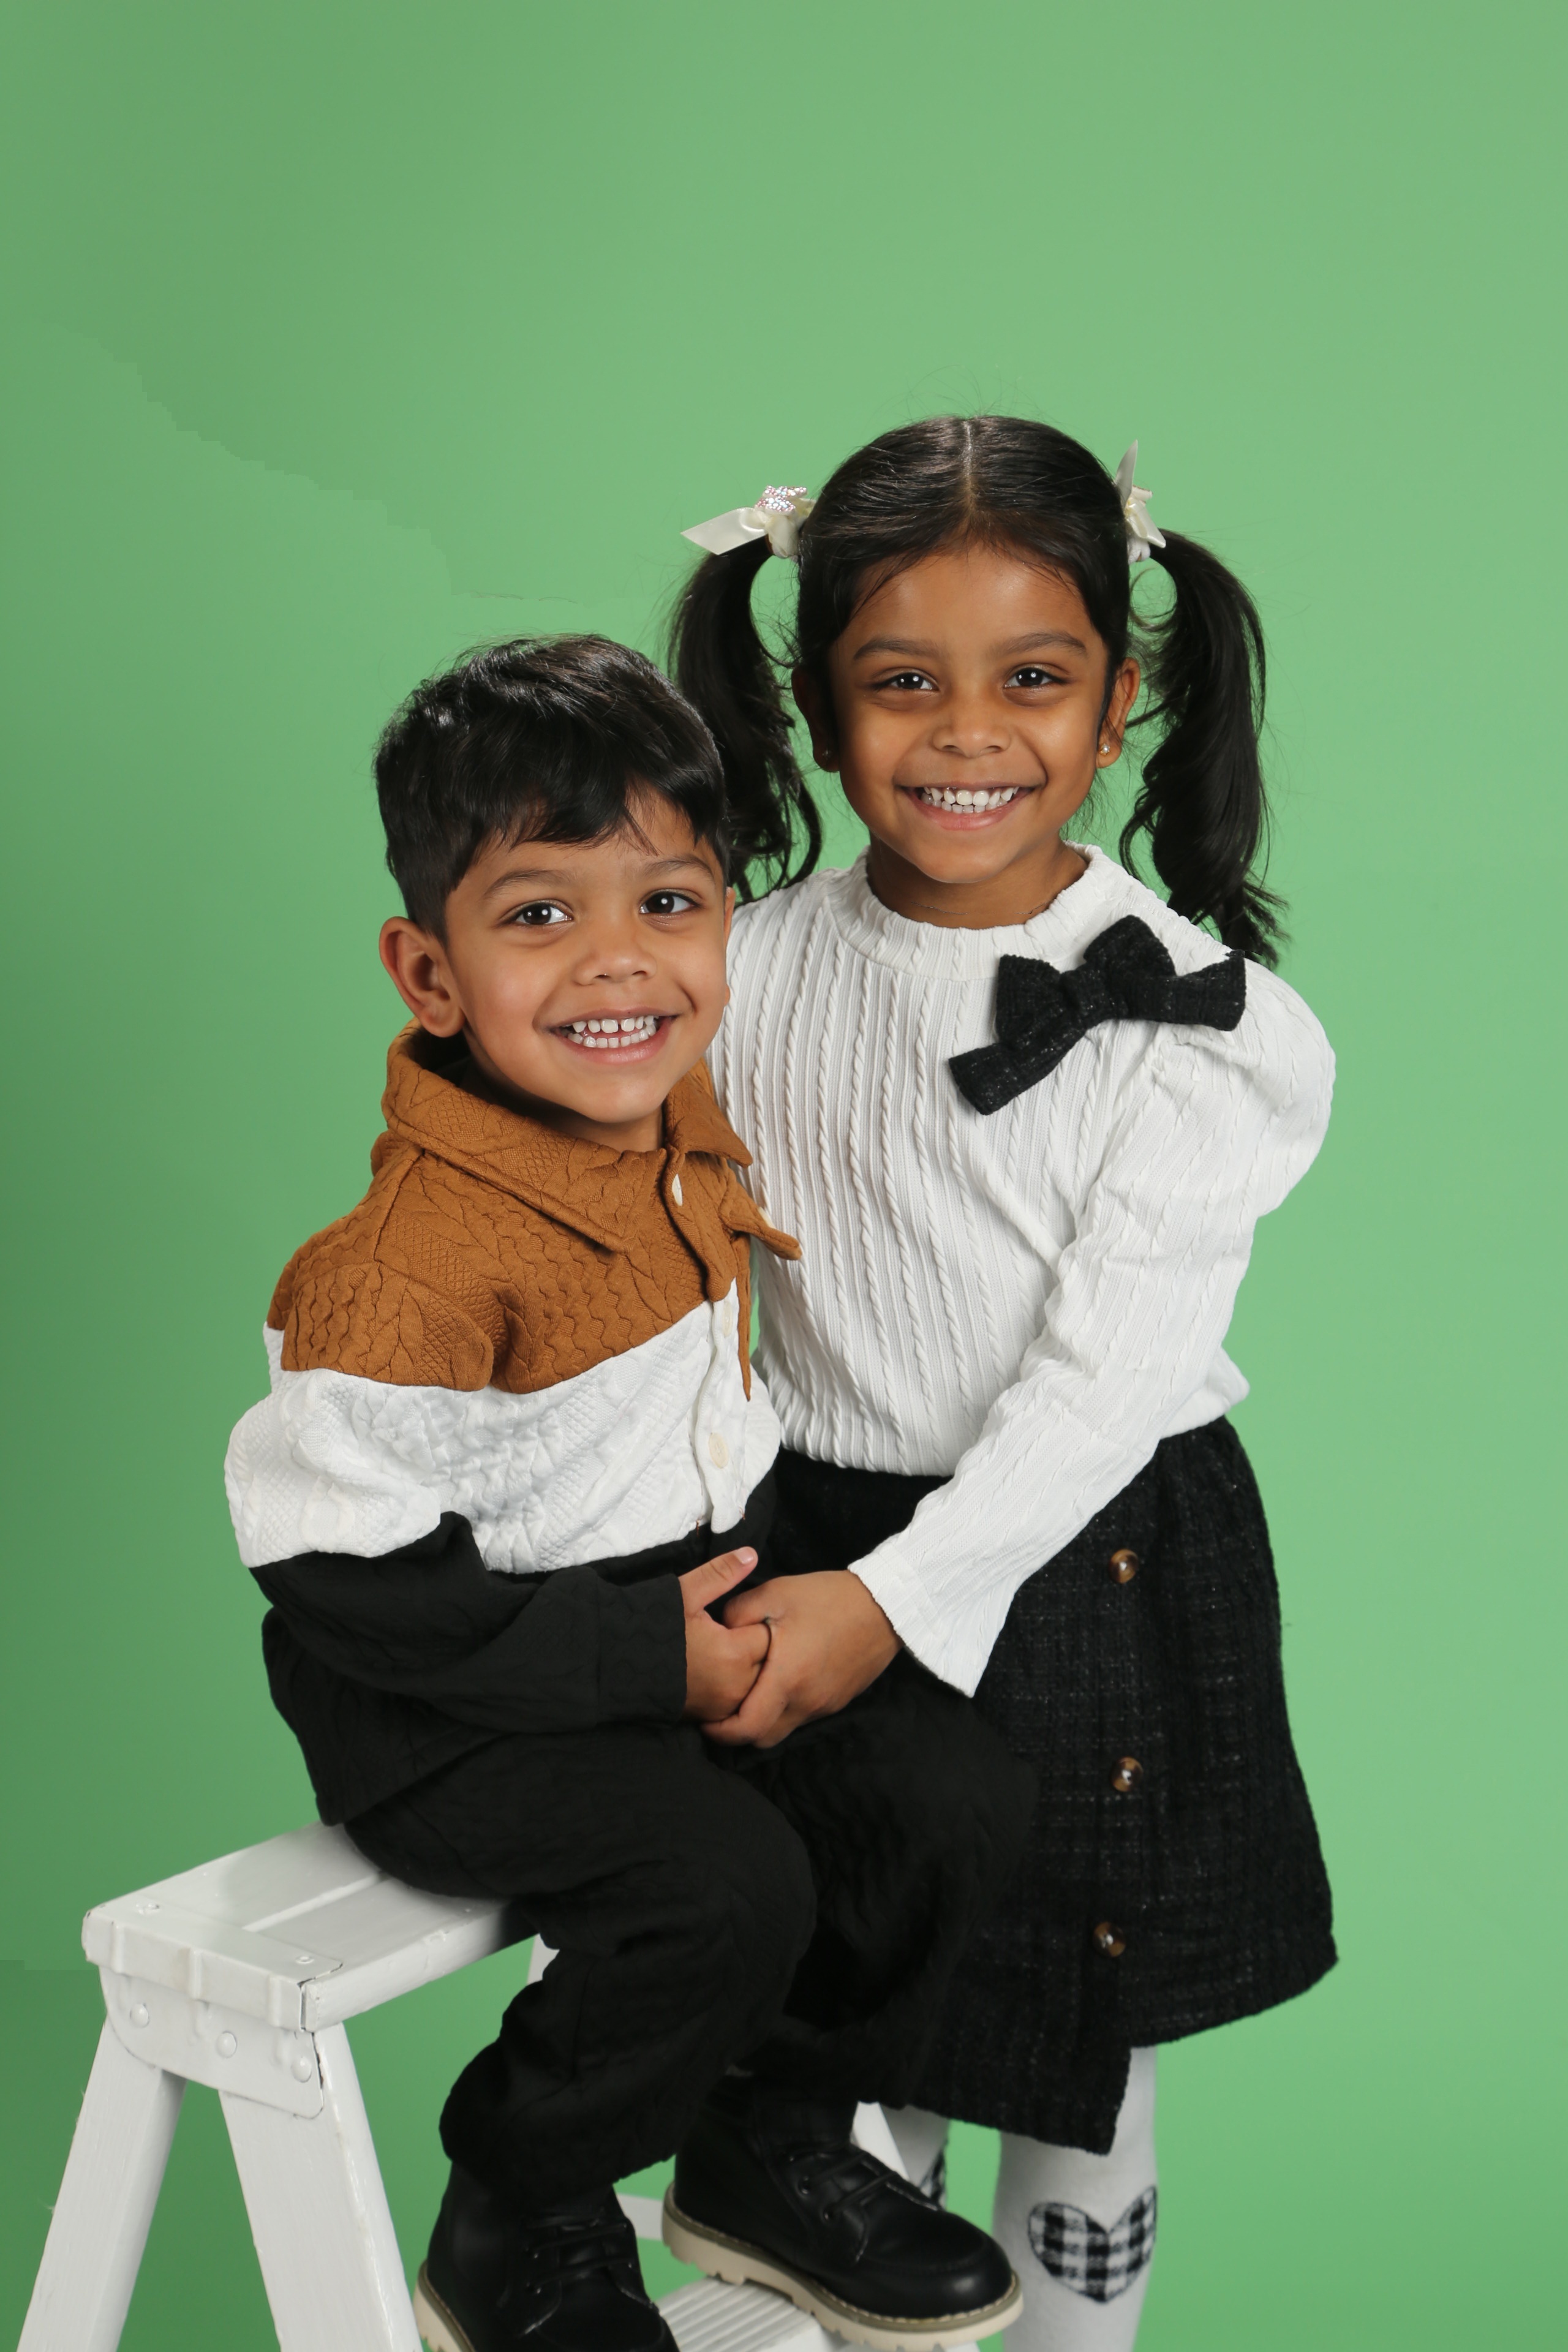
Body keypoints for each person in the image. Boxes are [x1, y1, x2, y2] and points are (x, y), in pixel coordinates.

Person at [223, 635, 1033, 2352]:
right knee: (720, 1886)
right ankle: (518, 2203)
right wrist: (637, 1661)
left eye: (670, 904)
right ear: (429, 973)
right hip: (446, 1696)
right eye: (539, 915)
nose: (619, 963)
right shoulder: (398, 1275)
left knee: (943, 1791)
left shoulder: (670, 1117)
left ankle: (766, 2136)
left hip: (668, 1608)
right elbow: (340, 1581)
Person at [671, 420, 1337, 2352]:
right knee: (837, 2025)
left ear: (1120, 703)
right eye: (903, 682)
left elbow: (1101, 1388)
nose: (969, 733)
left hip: (1088, 1554)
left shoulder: (1187, 1022)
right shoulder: (734, 973)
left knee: (1076, 2046)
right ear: (816, 708)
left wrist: (894, 1604)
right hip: (808, 1535)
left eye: (1033, 677)